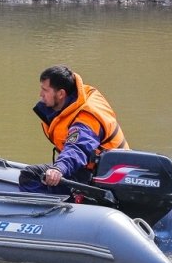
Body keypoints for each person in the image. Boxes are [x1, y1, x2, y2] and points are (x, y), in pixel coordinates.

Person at [19, 65, 129, 195]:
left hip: (100, 175)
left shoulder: (86, 117)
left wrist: (59, 169)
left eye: (45, 90)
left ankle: (47, 212)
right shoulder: (77, 97)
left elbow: (78, 147)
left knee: (29, 176)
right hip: (96, 168)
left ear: (61, 94)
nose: (40, 94)